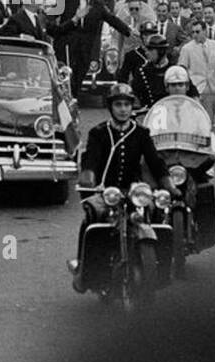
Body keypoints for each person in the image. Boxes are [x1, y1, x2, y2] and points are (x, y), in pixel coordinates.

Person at [70, 83, 172, 291]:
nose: (124, 109)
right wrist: (88, 177)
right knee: (92, 218)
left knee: (157, 214)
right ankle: (85, 270)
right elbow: (91, 159)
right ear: (111, 107)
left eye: (127, 104)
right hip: (106, 191)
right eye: (118, 104)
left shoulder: (141, 133)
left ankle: (160, 271)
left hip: (134, 191)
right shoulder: (99, 133)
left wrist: (167, 183)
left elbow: (155, 161)